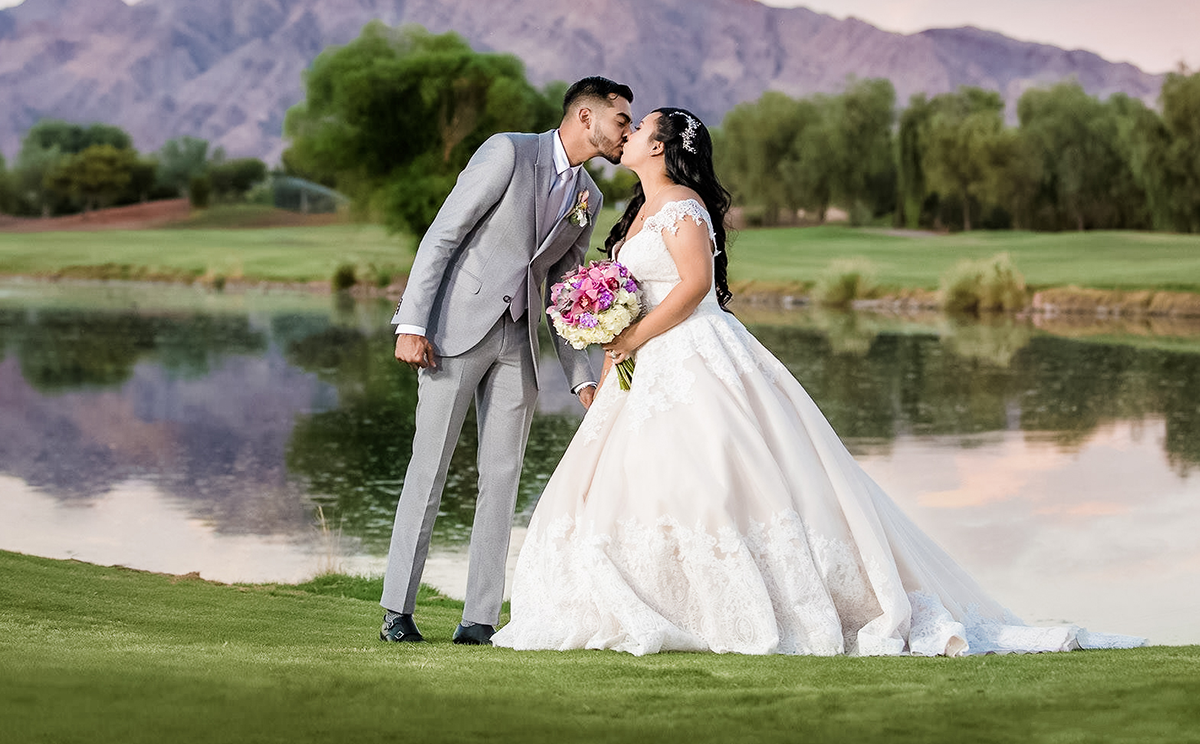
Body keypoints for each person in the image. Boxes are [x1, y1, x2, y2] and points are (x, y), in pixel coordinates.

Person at [493, 108, 1146, 656]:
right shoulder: (639, 211)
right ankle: (655, 597)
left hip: (696, 356)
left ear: (660, 146)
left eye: (638, 129)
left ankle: (763, 600)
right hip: (646, 365)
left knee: (720, 476)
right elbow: (633, 297)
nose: (626, 135)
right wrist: (613, 351)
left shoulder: (684, 208)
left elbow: (693, 287)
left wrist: (632, 336)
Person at [379, 77, 634, 646]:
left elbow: (570, 292)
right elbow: (443, 235)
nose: (628, 133)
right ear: (586, 116)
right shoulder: (508, 151)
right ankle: (397, 609)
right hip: (452, 332)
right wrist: (412, 323)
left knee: (502, 478)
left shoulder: (588, 196)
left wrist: (584, 379)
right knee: (430, 470)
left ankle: (479, 619)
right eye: (622, 120)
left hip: (518, 343)